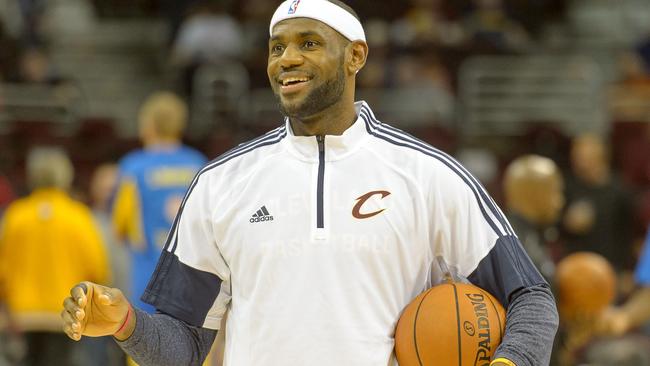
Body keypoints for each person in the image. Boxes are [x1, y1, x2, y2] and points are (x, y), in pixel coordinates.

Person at [62, 1, 558, 365]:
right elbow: (185, 346)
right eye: (277, 47)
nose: (286, 59)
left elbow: (531, 298)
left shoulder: (428, 175)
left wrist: (511, 361)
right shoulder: (220, 182)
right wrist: (127, 324)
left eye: (309, 43)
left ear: (356, 56)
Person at [0, 147, 110, 366]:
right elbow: (97, 268)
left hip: (23, 316)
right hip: (66, 314)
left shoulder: (16, 216)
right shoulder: (79, 217)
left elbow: (3, 269)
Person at [111, 91, 207, 314]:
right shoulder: (200, 165)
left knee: (145, 346)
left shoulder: (133, 168)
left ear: (148, 124)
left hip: (149, 281)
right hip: (192, 283)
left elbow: (119, 229)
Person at [503, 155, 564, 280]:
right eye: (555, 191)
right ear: (534, 196)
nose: (560, 202)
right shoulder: (518, 248)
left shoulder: (534, 236)